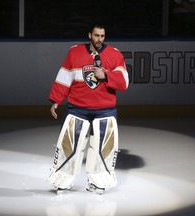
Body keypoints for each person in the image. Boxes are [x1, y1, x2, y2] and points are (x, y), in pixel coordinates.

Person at [46, 23, 129, 195]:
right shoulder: (74, 52)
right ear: (89, 35)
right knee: (69, 144)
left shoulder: (115, 54)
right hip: (77, 107)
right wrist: (56, 99)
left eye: (102, 36)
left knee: (103, 147)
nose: (99, 39)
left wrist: (106, 75)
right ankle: (63, 180)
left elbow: (124, 81)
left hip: (105, 109)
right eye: (97, 35)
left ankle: (98, 181)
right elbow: (65, 76)